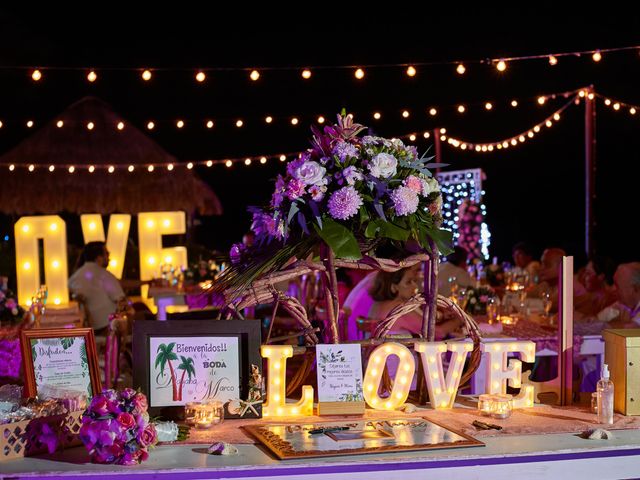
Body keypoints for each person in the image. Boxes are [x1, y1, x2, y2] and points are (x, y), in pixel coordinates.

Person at [368, 264, 461, 338]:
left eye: (414, 281)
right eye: (408, 282)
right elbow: (437, 332)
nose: (415, 286)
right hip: (397, 360)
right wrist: (460, 319)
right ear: (393, 287)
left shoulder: (377, 305)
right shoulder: (398, 309)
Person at [68, 242, 128, 333]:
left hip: (91, 324)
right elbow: (120, 299)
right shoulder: (103, 275)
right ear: (99, 258)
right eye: (107, 254)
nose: (109, 258)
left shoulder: (75, 277)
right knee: (143, 315)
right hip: (109, 325)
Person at [595, 262, 640, 326]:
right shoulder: (623, 304)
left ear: (635, 288)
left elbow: (632, 329)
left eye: (617, 286)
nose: (613, 289)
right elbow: (596, 321)